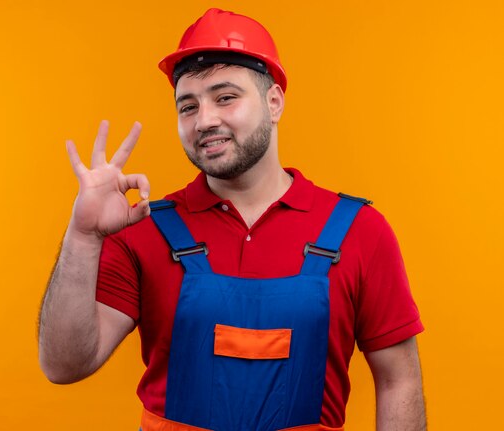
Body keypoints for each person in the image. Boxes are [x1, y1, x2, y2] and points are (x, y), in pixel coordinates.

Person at [38, 8, 426, 431]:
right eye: (188, 106)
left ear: (274, 102)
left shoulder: (360, 232)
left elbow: (398, 380)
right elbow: (64, 365)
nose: (205, 120)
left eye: (225, 97)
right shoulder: (143, 229)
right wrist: (83, 236)